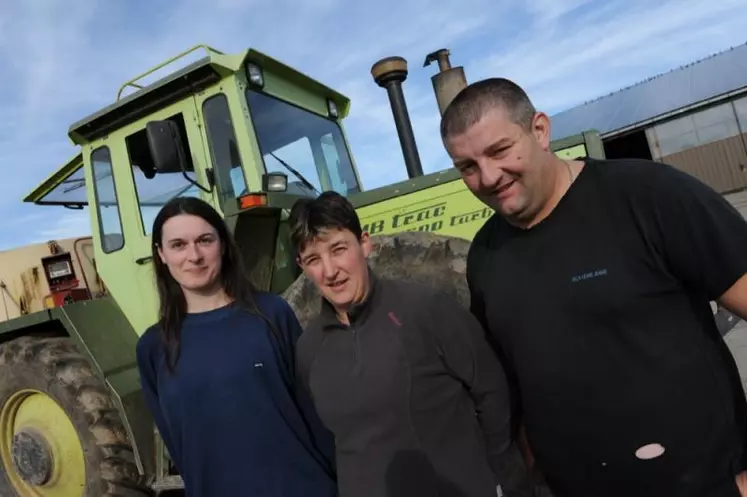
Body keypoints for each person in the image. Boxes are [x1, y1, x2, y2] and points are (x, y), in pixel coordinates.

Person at [439, 77, 747, 497]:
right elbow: (521, 388)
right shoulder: (485, 257)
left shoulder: (647, 196)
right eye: (468, 167)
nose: (489, 176)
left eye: (499, 150)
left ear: (540, 130)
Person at [289, 191, 517, 497]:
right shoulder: (308, 351)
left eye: (338, 249)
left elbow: (493, 394)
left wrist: (505, 482)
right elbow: (327, 445)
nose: (330, 271)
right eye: (314, 259)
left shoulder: (427, 310)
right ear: (302, 266)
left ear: (365, 244)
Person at [135, 196, 337, 497]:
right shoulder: (153, 348)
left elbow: (315, 412)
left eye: (205, 240)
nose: (194, 256)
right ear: (161, 254)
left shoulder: (271, 315)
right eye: (178, 245)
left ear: (224, 245)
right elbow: (179, 447)